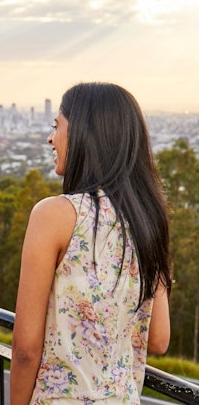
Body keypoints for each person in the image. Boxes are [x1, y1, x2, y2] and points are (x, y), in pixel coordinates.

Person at [10, 82, 172, 404]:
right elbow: (158, 339)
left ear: (86, 134)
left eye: (57, 126)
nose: (50, 138)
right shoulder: (148, 219)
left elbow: (26, 349)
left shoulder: (54, 215)